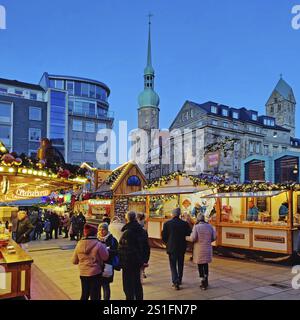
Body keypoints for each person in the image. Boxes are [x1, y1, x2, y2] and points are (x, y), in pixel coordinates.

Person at [118, 211, 150, 300]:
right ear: (135, 218)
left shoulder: (127, 232)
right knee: (137, 283)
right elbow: (147, 248)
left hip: (128, 263)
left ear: (127, 219)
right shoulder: (142, 231)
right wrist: (144, 260)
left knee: (128, 286)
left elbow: (121, 249)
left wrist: (120, 263)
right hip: (138, 262)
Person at [72, 224, 109, 300]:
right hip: (95, 273)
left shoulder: (79, 244)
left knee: (84, 294)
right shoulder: (99, 244)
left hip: (83, 273)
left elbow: (74, 261)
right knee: (95, 296)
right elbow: (105, 257)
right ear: (95, 233)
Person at [162, 207, 191, 290]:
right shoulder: (184, 224)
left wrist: (167, 243)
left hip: (171, 247)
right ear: (179, 214)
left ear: (172, 214)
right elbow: (189, 233)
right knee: (180, 263)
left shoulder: (167, 224)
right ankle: (180, 279)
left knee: (173, 265)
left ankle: (175, 281)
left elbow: (164, 236)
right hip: (182, 246)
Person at [189, 213, 216, 290]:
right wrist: (208, 241)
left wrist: (186, 237)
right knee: (206, 264)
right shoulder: (210, 226)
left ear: (198, 219)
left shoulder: (196, 227)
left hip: (199, 249)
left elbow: (193, 238)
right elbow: (214, 237)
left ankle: (202, 281)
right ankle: (206, 280)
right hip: (207, 248)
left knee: (200, 265)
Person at [97, 222, 118, 300]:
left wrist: (107, 251)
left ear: (107, 230)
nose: (101, 231)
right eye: (100, 229)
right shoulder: (96, 239)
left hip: (108, 266)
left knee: (106, 285)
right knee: (97, 285)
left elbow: (116, 251)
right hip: (97, 266)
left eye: (103, 230)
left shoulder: (112, 240)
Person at [136, 212, 150, 281]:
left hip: (139, 246)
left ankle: (141, 274)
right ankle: (142, 272)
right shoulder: (143, 225)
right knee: (143, 260)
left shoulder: (137, 224)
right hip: (143, 247)